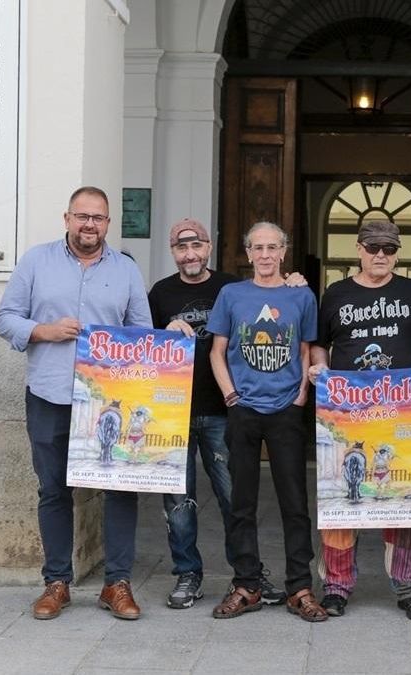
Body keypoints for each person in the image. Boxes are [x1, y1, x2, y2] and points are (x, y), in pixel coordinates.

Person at [0, 186, 151, 621]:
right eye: (81, 216)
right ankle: (57, 582)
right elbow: (5, 318)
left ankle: (116, 583)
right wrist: (45, 331)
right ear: (67, 218)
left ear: (107, 223)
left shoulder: (125, 271)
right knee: (53, 490)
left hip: (108, 404)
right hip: (50, 392)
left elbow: (141, 332)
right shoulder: (35, 261)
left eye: (98, 218)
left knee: (121, 489)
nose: (89, 225)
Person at [146, 217, 286, 609]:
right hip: (172, 414)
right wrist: (164, 330)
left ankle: (250, 575)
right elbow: (139, 344)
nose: (189, 254)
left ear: (209, 247)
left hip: (223, 410)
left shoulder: (232, 287)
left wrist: (293, 281)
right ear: (173, 252)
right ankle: (187, 574)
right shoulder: (159, 293)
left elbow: (272, 311)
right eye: (180, 247)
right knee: (178, 501)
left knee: (234, 497)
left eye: (196, 245)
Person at [306, 220, 411, 620]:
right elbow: (317, 344)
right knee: (342, 500)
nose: (380, 254)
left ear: (397, 252)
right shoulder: (336, 294)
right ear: (359, 249)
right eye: (372, 247)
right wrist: (320, 371)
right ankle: (336, 585)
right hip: (347, 414)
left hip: (400, 413)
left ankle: (409, 587)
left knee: (404, 499)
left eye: (388, 248)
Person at [207, 221, 326, 622]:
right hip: (243, 410)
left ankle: (300, 587)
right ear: (247, 253)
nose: (265, 255)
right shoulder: (231, 294)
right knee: (241, 501)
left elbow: (307, 348)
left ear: (284, 251)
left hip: (285, 410)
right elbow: (217, 351)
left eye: (272, 247)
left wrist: (301, 396)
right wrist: (231, 397)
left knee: (295, 502)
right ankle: (247, 584)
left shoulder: (301, 295)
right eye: (257, 247)